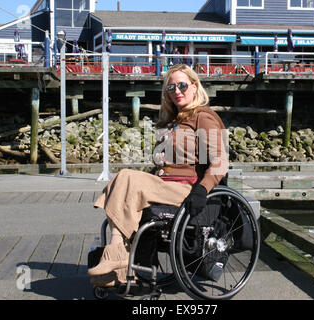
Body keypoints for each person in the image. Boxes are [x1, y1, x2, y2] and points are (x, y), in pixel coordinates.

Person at [88, 64, 228, 287]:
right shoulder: (173, 122)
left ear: (194, 86)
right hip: (164, 187)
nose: (177, 91)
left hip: (187, 189)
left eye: (182, 85)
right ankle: (119, 261)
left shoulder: (203, 117)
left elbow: (220, 162)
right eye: (171, 87)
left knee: (126, 176)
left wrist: (202, 189)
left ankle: (117, 258)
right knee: (123, 180)